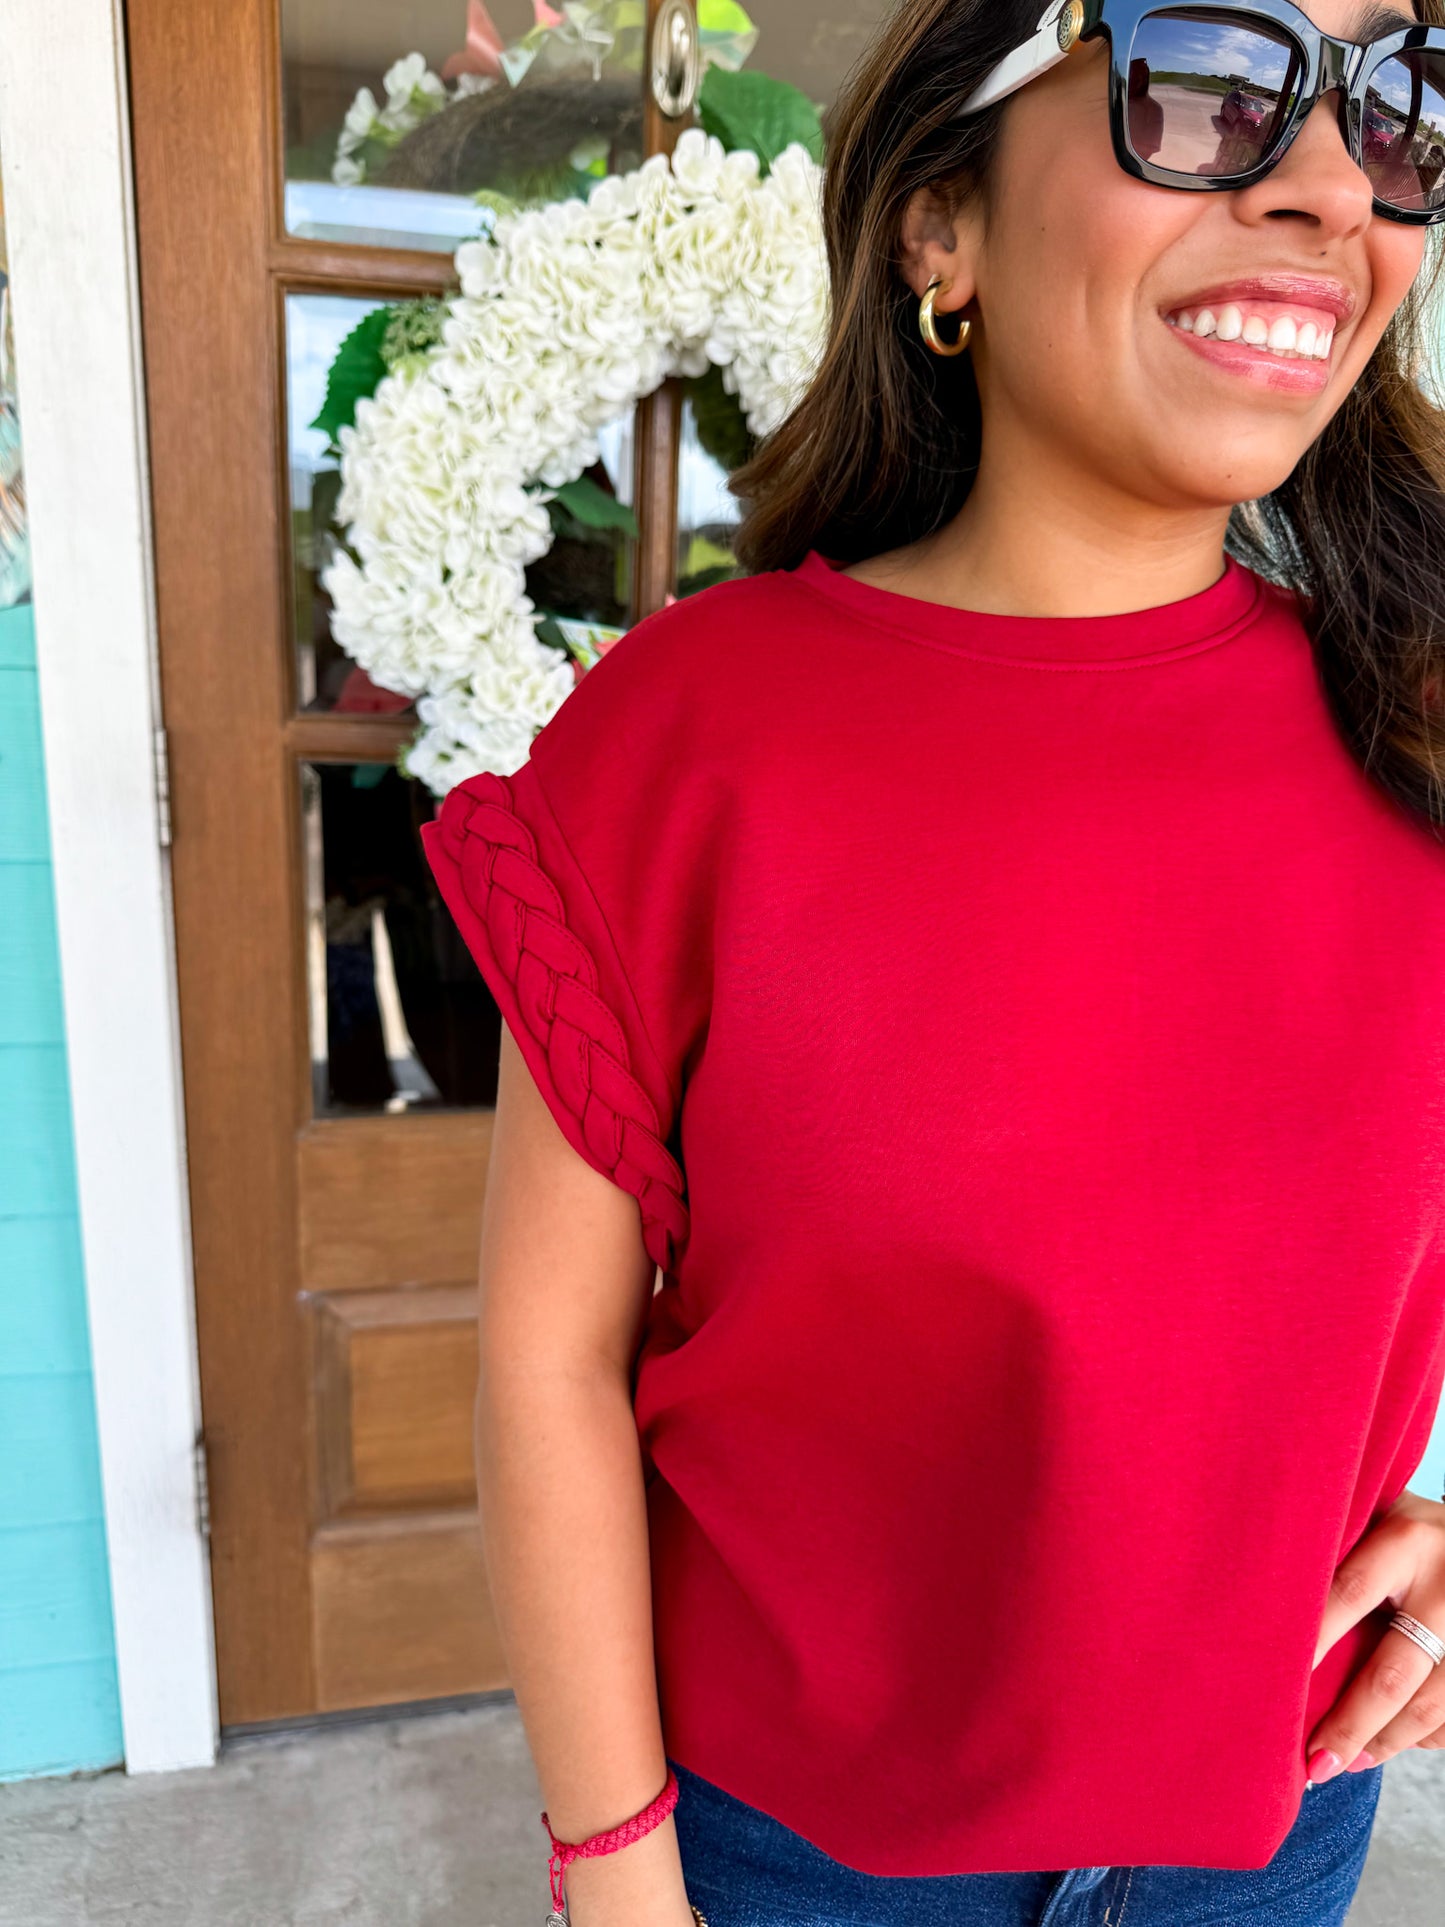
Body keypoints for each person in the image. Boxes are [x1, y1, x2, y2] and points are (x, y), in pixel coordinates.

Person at [419, 2, 1445, 1921]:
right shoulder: (685, 743)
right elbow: (548, 1355)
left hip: (1267, 1829)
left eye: (1399, 106)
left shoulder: (1417, 728)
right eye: (1210, 84)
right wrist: (616, 1870)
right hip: (792, 1856)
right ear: (936, 229)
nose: (1324, 188)